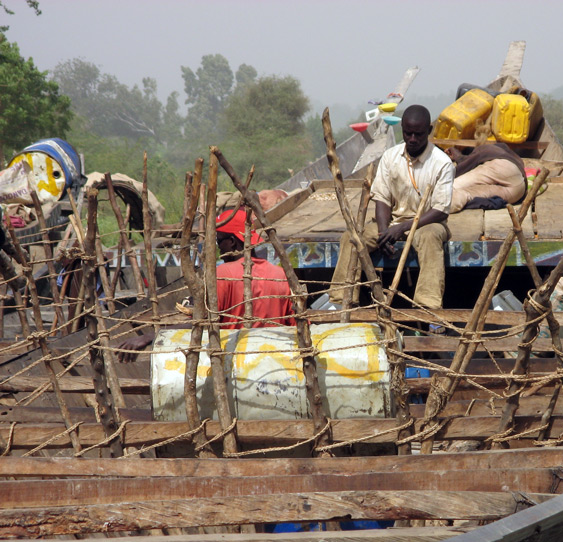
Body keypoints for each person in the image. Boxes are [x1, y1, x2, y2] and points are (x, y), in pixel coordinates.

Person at [116, 209, 294, 362]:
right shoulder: (280, 275)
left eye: (219, 240)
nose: (218, 247)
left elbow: (201, 322)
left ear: (232, 242)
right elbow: (295, 325)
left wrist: (151, 337)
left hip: (234, 363)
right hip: (274, 363)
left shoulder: (224, 274)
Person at [329, 104, 454, 310]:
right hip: (393, 222)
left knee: (430, 237)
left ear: (429, 132)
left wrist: (403, 228)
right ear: (402, 130)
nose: (412, 139)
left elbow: (440, 210)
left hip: (427, 223)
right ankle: (341, 300)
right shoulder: (390, 157)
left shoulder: (442, 163)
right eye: (408, 133)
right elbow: (382, 199)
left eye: (418, 134)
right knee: (352, 237)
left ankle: (428, 307)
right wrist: (383, 232)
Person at [445, 142, 527, 212]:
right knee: (467, 194)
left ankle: (438, 206)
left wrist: (459, 157)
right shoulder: (508, 154)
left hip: (501, 168)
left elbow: (468, 163)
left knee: (452, 186)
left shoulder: (484, 149)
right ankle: (442, 206)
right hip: (519, 189)